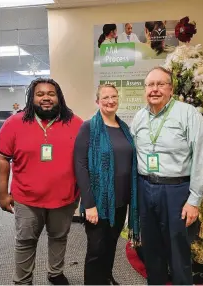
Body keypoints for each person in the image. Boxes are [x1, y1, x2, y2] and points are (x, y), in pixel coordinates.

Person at [130, 67, 203, 285]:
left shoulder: (188, 114)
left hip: (177, 192)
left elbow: (202, 157)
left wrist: (194, 200)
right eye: (150, 85)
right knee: (151, 249)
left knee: (178, 252)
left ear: (171, 88)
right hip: (145, 189)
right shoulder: (139, 117)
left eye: (160, 84)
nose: (154, 89)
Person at [0, 78, 83, 285]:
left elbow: (85, 159)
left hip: (64, 197)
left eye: (51, 94)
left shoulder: (76, 123)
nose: (46, 98)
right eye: (40, 94)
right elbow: (2, 158)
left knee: (59, 237)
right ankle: (23, 280)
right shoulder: (14, 123)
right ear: (32, 98)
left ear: (59, 97)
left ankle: (55, 273)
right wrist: (2, 194)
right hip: (26, 198)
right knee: (26, 241)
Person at [74, 84, 139, 285]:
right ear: (97, 102)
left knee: (111, 244)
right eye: (105, 98)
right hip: (98, 202)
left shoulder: (124, 128)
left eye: (114, 96)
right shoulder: (89, 127)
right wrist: (89, 203)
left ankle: (106, 276)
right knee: (96, 249)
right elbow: (80, 165)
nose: (110, 101)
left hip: (120, 202)